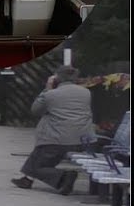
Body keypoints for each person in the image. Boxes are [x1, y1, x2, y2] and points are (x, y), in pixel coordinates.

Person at [12, 65, 93, 195]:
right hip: (81, 140)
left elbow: (35, 110)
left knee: (39, 166)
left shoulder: (51, 94)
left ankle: (65, 177)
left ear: (57, 79)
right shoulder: (86, 92)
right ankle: (26, 180)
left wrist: (47, 88)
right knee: (39, 150)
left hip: (58, 141)